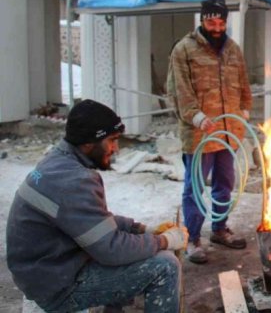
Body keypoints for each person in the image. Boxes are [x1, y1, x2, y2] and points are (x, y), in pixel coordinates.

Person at [6, 99, 188, 312]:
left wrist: (141, 229)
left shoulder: (57, 162)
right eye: (112, 140)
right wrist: (164, 241)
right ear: (88, 143)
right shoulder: (74, 180)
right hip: (55, 287)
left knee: (131, 250)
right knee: (164, 266)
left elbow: (93, 223)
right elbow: (111, 249)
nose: (116, 148)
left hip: (45, 269)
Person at [167, 0, 252, 264]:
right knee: (195, 188)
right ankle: (192, 238)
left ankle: (219, 228)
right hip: (200, 134)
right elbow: (178, 90)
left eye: (221, 22)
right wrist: (197, 116)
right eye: (211, 22)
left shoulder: (233, 49)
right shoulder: (184, 50)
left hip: (228, 133)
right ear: (202, 20)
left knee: (225, 183)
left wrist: (245, 110)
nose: (217, 28)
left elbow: (244, 84)